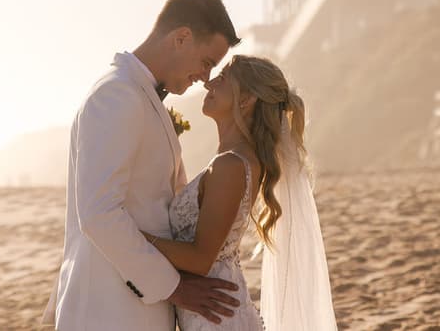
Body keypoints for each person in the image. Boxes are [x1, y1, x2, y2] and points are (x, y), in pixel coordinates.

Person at [45, 0, 243, 330]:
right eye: (207, 62)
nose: (207, 77)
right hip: (109, 311)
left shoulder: (139, 94)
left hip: (139, 310)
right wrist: (176, 288)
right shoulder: (116, 95)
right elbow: (99, 214)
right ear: (181, 38)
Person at [142, 55, 337, 330]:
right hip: (213, 308)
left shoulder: (231, 165)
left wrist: (136, 238)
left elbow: (200, 259)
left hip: (215, 315)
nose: (209, 84)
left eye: (222, 79)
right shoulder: (234, 160)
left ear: (246, 100)